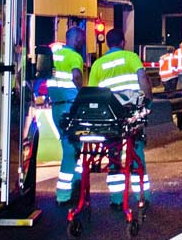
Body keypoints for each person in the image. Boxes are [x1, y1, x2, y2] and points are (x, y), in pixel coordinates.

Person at [88, 28, 154, 207]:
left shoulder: (98, 65)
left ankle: (116, 199)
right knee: (136, 153)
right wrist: (148, 101)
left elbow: (92, 93)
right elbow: (143, 78)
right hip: (130, 115)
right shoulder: (130, 57)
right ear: (122, 42)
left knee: (114, 156)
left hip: (110, 118)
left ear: (108, 43)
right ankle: (142, 196)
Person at [47, 27, 85, 206]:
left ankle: (77, 184)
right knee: (71, 149)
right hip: (71, 106)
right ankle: (64, 194)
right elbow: (77, 76)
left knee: (71, 145)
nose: (83, 43)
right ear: (75, 39)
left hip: (56, 107)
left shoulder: (54, 55)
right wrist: (82, 92)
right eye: (82, 39)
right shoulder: (74, 57)